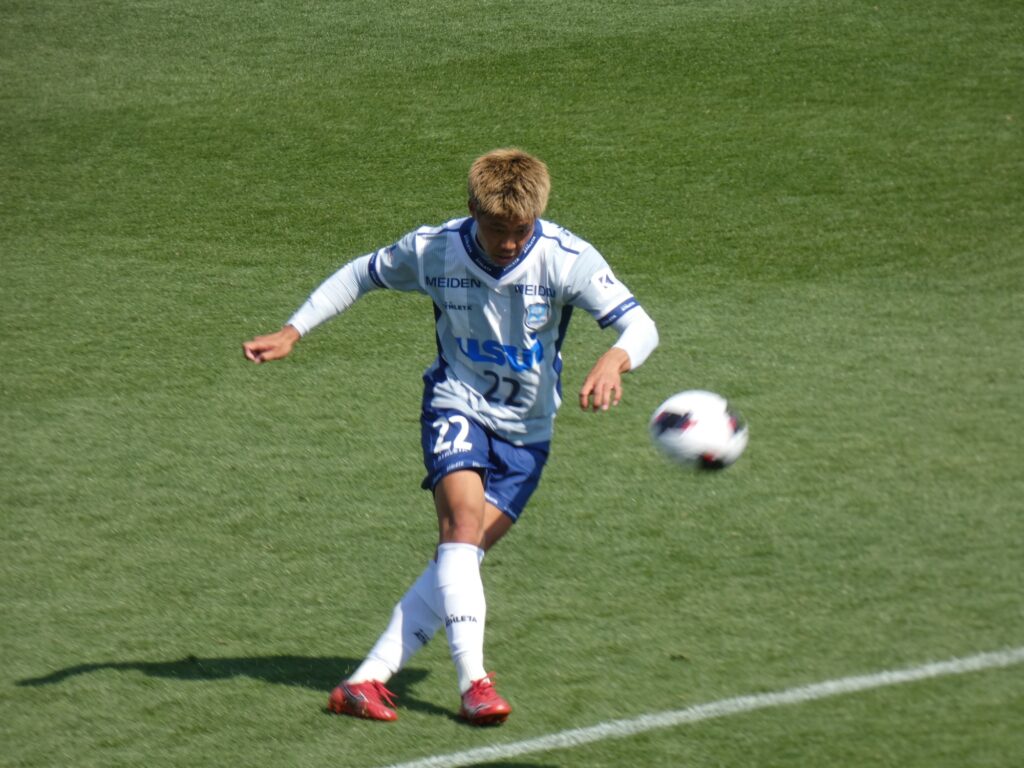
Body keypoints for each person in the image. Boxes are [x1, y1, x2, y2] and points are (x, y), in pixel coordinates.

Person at [242, 148, 658, 725]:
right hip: (456, 404)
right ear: (471, 210)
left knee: (460, 559)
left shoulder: (568, 258)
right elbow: (361, 274)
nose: (508, 243)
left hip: (529, 432)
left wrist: (615, 358)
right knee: (461, 528)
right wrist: (294, 330)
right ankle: (475, 685)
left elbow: (641, 325)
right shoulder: (434, 248)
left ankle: (364, 682)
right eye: (496, 229)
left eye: (520, 230)